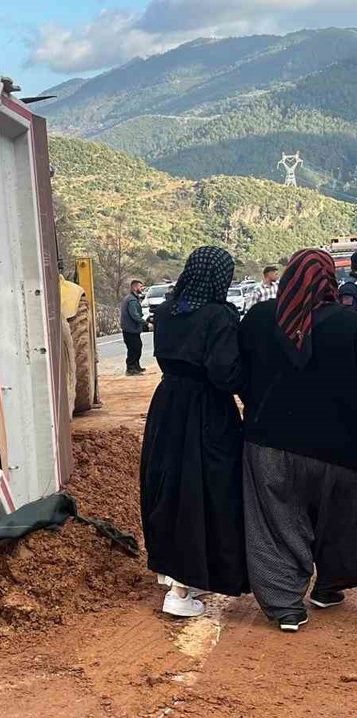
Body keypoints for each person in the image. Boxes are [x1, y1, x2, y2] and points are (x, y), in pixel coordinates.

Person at [238, 249, 357, 633]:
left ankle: (286, 606)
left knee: (276, 522)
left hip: (270, 442)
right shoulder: (349, 324)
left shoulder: (258, 319)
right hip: (340, 447)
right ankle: (329, 585)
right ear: (329, 280)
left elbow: (238, 373)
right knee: (338, 520)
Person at [140, 246, 247, 618]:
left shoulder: (165, 311)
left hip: (168, 406)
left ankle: (174, 573)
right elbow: (225, 373)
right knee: (207, 489)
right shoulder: (219, 316)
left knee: (170, 487)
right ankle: (184, 587)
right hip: (206, 410)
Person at [119, 280, 146, 375]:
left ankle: (136, 366)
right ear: (135, 288)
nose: (142, 288)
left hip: (132, 329)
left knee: (137, 347)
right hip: (130, 329)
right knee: (133, 348)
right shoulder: (132, 300)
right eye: (140, 286)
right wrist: (145, 323)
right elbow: (134, 315)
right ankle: (130, 368)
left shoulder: (132, 298)